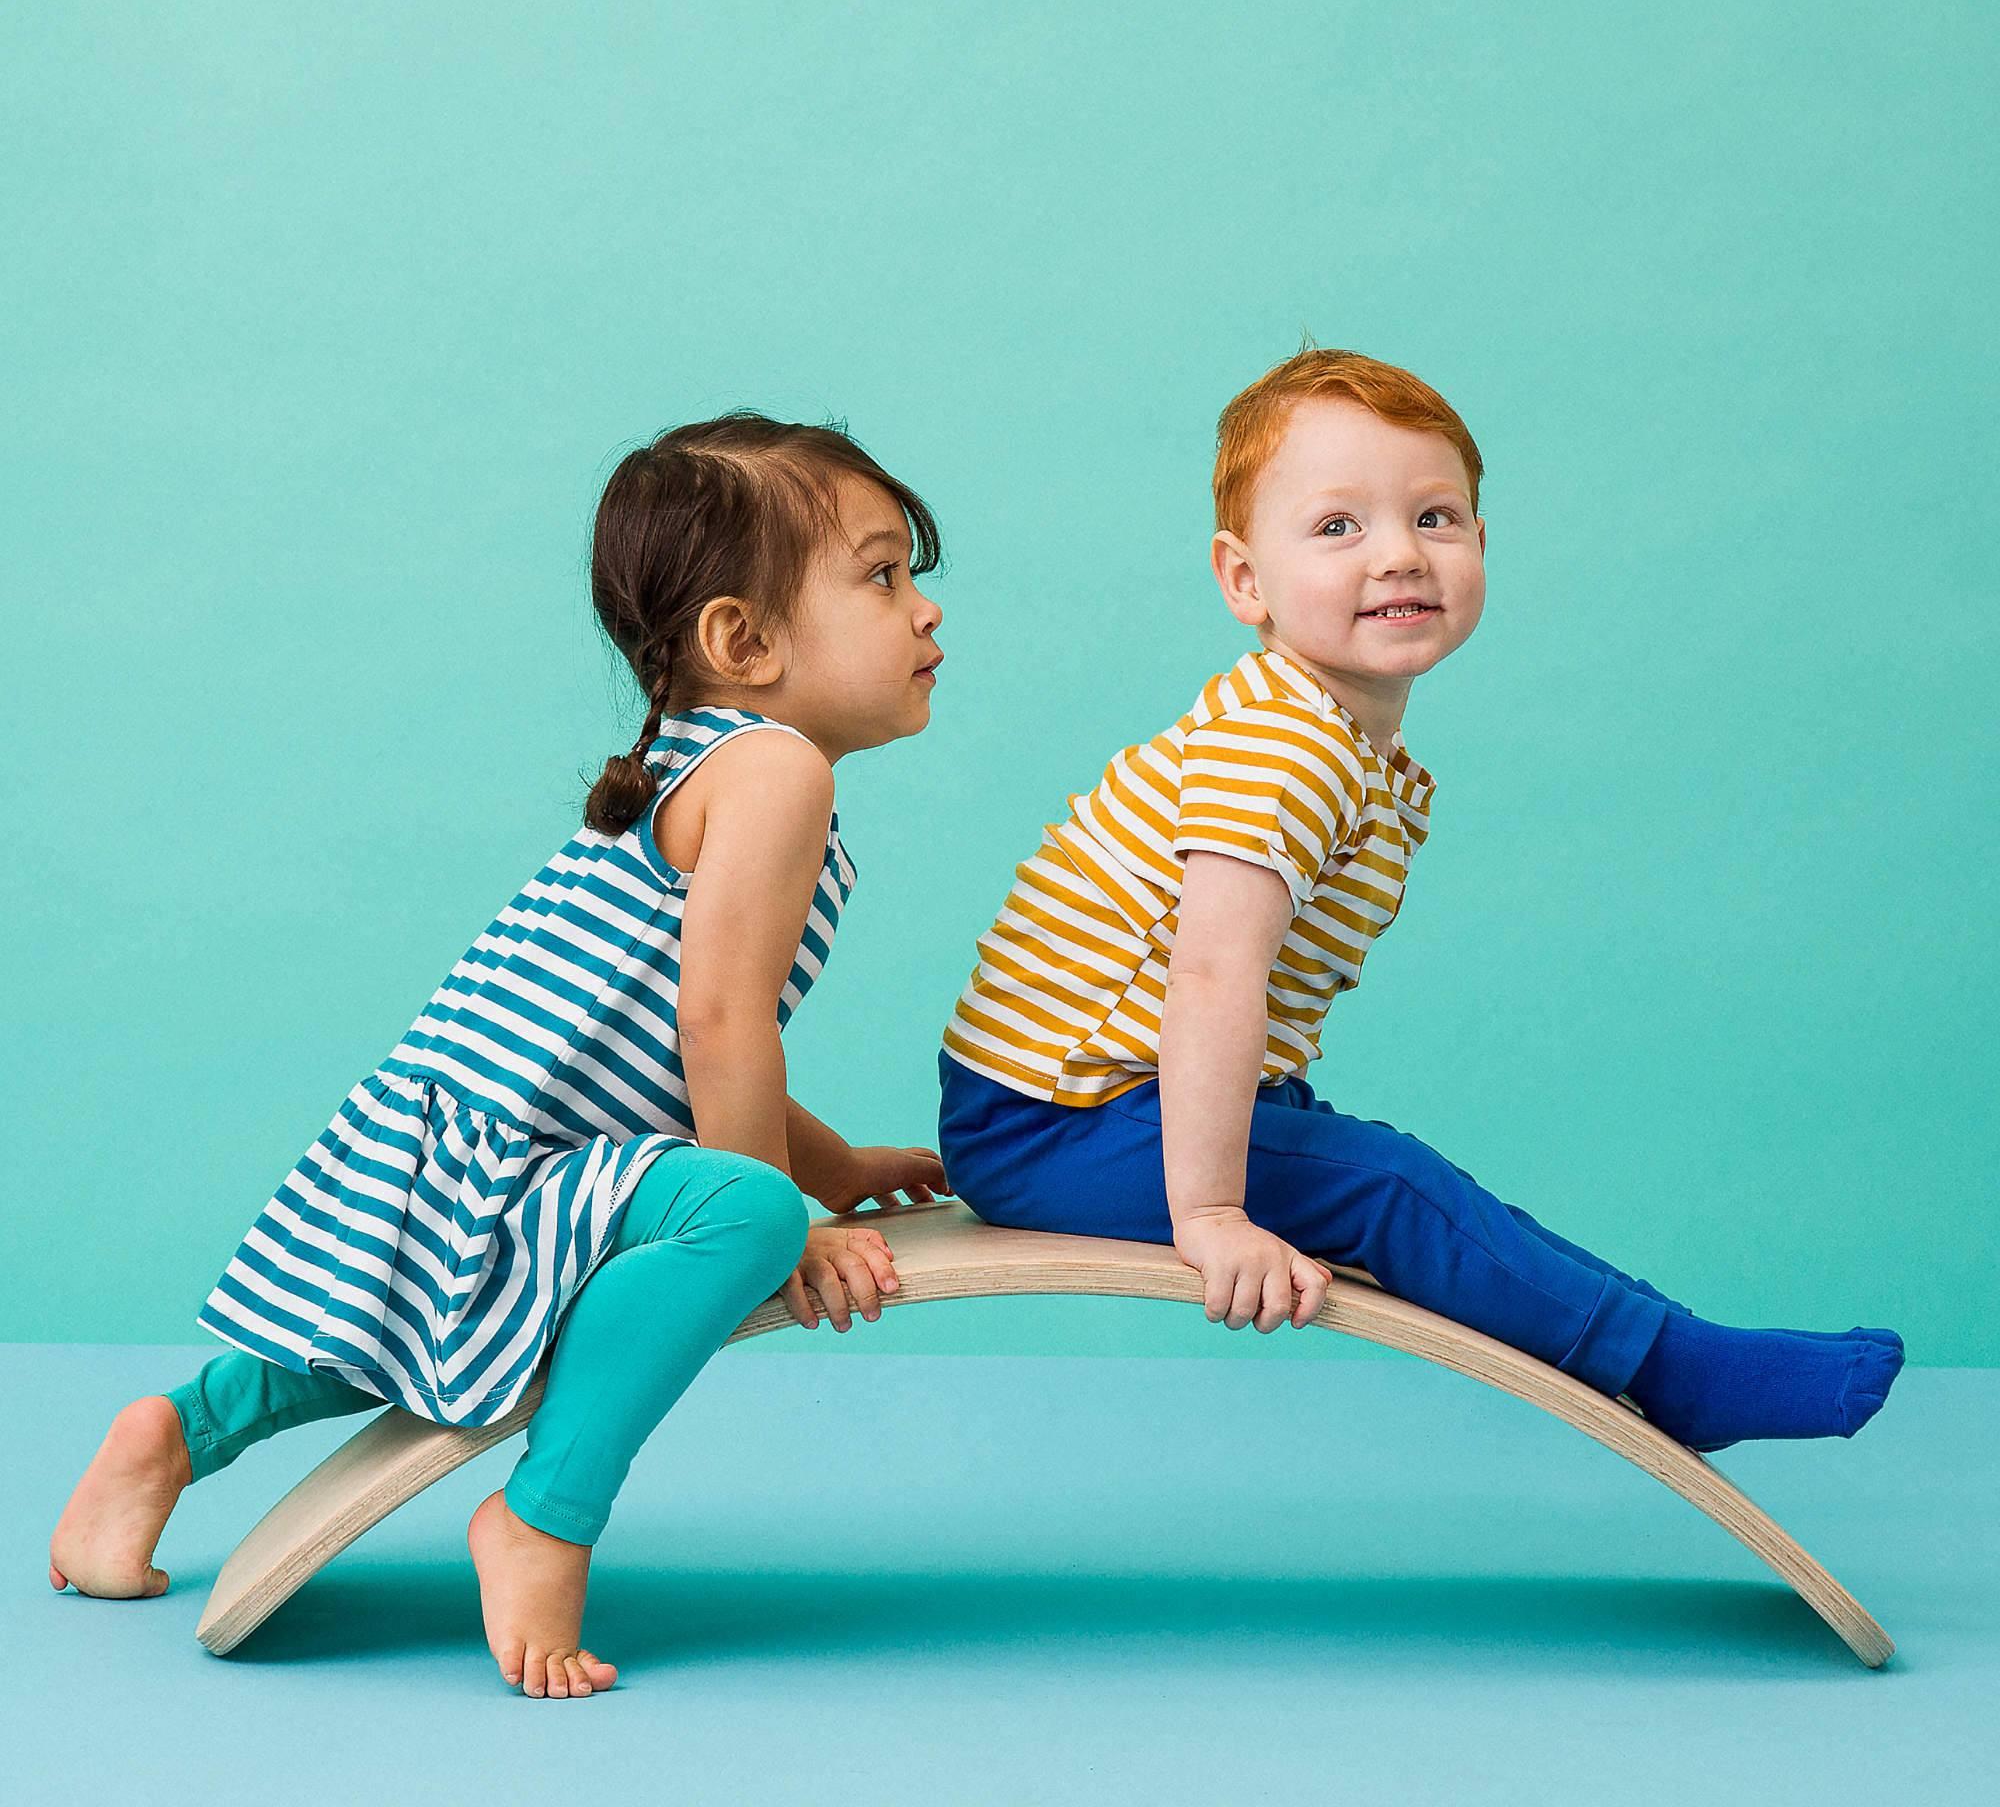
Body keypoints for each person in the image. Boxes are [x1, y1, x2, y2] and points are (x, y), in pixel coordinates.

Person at [50, 414, 952, 1697]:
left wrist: (838, 1162)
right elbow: (718, 1027)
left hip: (460, 1139)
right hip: (524, 1155)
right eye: (880, 575)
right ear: (741, 642)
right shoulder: (775, 770)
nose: (920, 611)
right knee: (735, 1212)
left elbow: (682, 1037)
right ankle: (543, 1514)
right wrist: (785, 1210)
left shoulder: (694, 762)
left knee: (368, 1323)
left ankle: (172, 1435)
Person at [937, 348, 1903, 1456]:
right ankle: (1676, 1364)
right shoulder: (1283, 744)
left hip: (1093, 1100)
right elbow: (1211, 971)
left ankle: (1669, 1345)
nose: (1398, 553)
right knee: (1390, 1185)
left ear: (1481, 546)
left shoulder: (1330, 732)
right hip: (1058, 1118)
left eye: (1435, 517)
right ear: (1243, 579)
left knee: (1405, 1182)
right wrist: (1207, 1216)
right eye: (1336, 526)